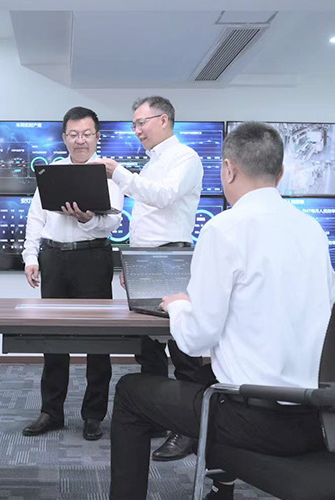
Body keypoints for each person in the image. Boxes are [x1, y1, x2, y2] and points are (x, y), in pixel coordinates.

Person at [108, 122, 335, 500]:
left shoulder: (224, 229)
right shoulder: (312, 229)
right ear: (280, 174)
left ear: (229, 170)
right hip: (318, 416)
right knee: (206, 376)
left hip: (256, 421)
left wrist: (178, 305)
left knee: (131, 392)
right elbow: (331, 311)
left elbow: (197, 337)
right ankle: (221, 488)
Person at [98, 95, 206, 460]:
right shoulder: (153, 162)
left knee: (183, 349)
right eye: (134, 124)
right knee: (149, 349)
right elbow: (147, 217)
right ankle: (160, 417)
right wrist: (132, 262)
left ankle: (188, 429)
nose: (137, 130)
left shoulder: (185, 158)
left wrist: (119, 174)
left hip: (171, 258)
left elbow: (163, 198)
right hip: (147, 259)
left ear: (164, 120)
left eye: (141, 122)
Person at [20, 106, 123, 441]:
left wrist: (88, 220)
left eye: (87, 134)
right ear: (64, 137)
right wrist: (30, 257)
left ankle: (93, 415)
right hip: (54, 259)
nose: (80, 140)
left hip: (92, 259)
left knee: (98, 342)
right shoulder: (51, 173)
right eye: (74, 134)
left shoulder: (110, 173)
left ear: (97, 136)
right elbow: (35, 218)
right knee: (53, 339)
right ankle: (51, 412)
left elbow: (114, 222)